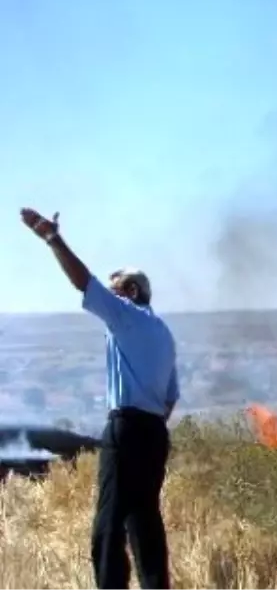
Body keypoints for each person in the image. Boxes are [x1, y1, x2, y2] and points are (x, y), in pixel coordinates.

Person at [20, 207, 178, 590]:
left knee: (108, 526)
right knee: (144, 524)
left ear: (132, 292)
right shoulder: (163, 333)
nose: (108, 296)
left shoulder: (126, 316)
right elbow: (170, 399)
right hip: (155, 433)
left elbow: (82, 281)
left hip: (127, 431)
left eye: (115, 289)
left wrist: (52, 239)